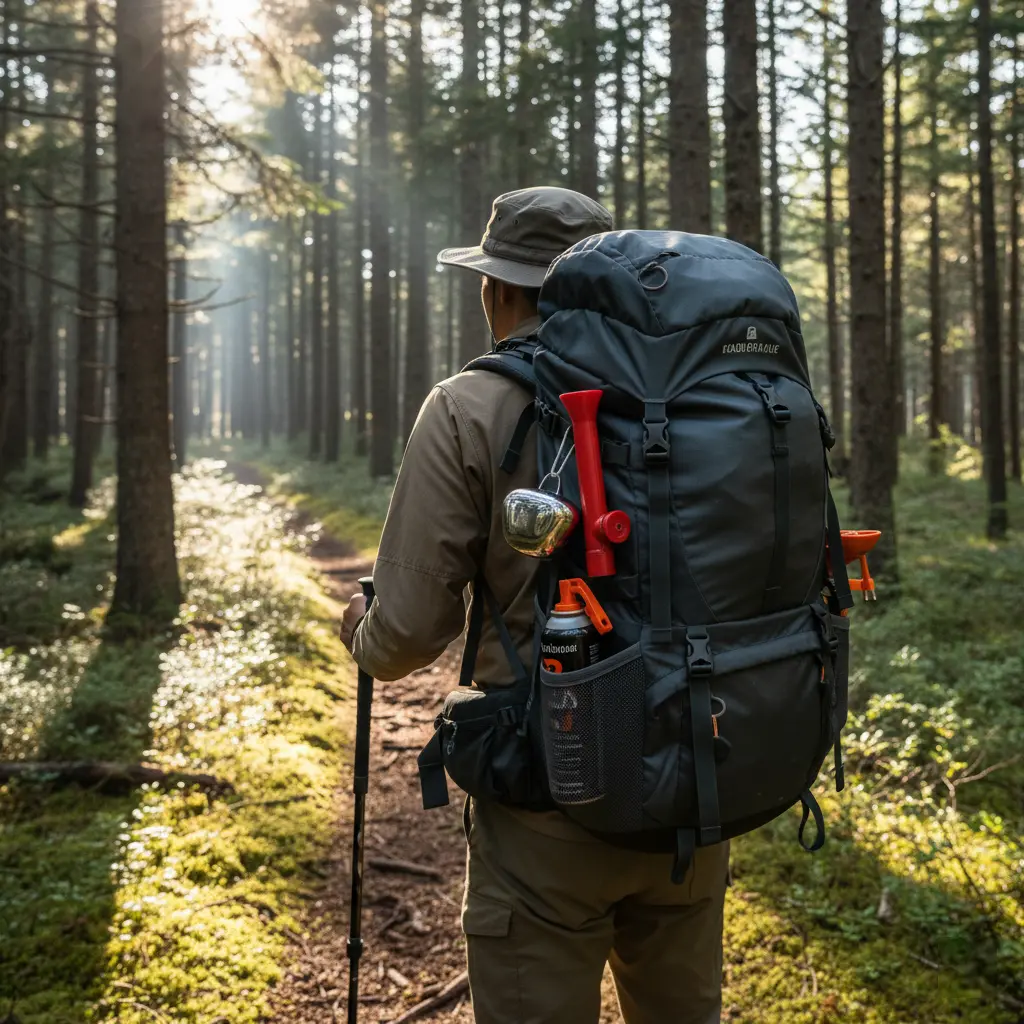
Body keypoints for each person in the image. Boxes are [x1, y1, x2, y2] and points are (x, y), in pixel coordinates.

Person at [341, 186, 729, 1024]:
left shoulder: (469, 405)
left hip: (550, 798)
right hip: (696, 787)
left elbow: (406, 634)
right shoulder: (700, 397)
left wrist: (363, 638)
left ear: (498, 289)